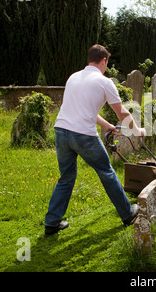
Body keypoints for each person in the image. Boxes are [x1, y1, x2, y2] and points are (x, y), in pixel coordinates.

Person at [44, 44, 146, 237]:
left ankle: (52, 223)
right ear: (104, 61)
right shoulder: (104, 82)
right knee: (107, 172)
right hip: (83, 135)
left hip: (61, 132)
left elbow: (83, 110)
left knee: (66, 178)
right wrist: (137, 130)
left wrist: (107, 125)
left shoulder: (74, 77)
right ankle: (127, 214)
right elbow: (121, 112)